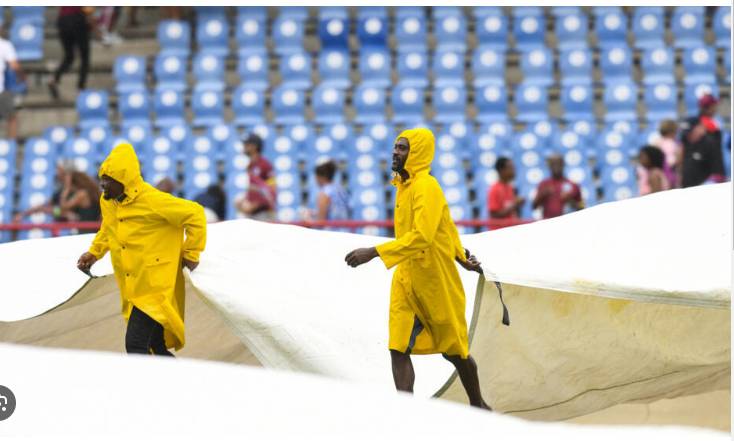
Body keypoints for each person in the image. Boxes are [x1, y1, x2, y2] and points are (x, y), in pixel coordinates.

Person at [344, 128, 491, 410]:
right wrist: (461, 256)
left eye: (402, 148)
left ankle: (478, 405)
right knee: (398, 347)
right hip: (405, 278)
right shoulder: (403, 186)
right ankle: (407, 415)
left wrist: (374, 252)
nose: (395, 152)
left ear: (417, 153)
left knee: (455, 351)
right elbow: (447, 226)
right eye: (395, 147)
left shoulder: (427, 187)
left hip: (434, 280)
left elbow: (427, 234)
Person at [76, 143, 207, 356]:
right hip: (132, 284)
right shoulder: (109, 201)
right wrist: (94, 253)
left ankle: (146, 388)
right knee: (156, 346)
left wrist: (191, 253)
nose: (102, 184)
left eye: (108, 180)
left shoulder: (152, 200)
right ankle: (176, 384)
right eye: (102, 178)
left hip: (153, 285)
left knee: (135, 345)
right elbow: (108, 227)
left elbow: (196, 214)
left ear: (124, 180)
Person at [48, 7, 97, 99]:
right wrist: (97, 31)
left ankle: (54, 79)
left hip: (62, 21)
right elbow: (88, 11)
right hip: (77, 20)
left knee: (69, 56)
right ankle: (80, 89)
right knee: (84, 58)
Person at [679, 94, 726, 187]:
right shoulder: (708, 125)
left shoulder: (706, 122)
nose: (715, 109)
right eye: (714, 106)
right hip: (700, 175)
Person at [236, 134, 276, 221]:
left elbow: (272, 190)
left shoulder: (265, 165)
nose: (244, 147)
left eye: (246, 144)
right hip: (253, 214)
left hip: (264, 214)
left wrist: (254, 206)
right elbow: (254, 189)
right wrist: (243, 201)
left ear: (254, 146)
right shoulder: (250, 165)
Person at [532, 154, 583, 219]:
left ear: (563, 164)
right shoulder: (543, 184)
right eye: (553, 164)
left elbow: (582, 207)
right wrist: (543, 194)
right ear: (549, 166)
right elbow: (534, 206)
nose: (556, 166)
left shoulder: (573, 185)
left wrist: (570, 200)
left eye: (559, 163)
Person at [306, 160, 350, 228]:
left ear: (320, 177)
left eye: (316, 177)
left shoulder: (324, 193)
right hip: (345, 231)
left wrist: (307, 221)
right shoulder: (341, 189)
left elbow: (320, 222)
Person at [0, 32, 26, 139]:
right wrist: (22, 77)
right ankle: (11, 146)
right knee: (12, 119)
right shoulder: (4, 45)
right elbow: (15, 66)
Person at [654, 119, 682, 188]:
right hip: (668, 174)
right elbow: (671, 161)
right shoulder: (671, 143)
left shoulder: (657, 142)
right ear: (672, 132)